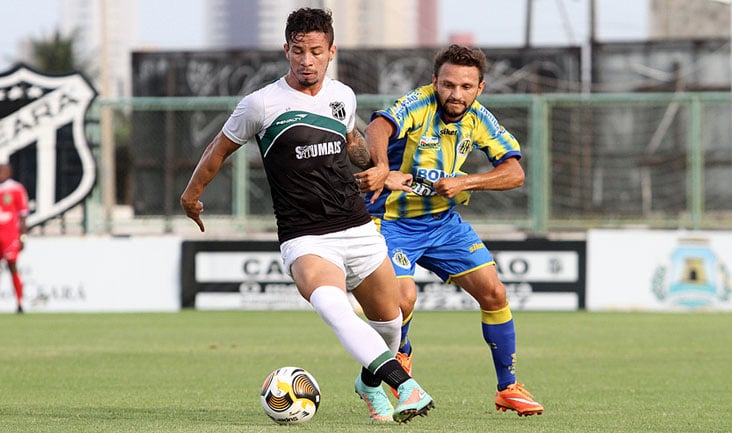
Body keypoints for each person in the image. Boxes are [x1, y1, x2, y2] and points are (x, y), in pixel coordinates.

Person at [180, 8, 434, 424]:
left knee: (390, 322)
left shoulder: (343, 95)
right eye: (298, 51)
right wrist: (191, 196)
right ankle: (404, 385)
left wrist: (371, 162)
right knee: (335, 308)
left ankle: (368, 383)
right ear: (286, 50)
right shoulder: (260, 104)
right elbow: (217, 151)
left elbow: (350, 141)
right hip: (306, 237)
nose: (306, 60)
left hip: (357, 226)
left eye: (316, 51)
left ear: (331, 51)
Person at [355, 44, 544, 416]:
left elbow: (514, 173)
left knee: (494, 292)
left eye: (466, 87)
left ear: (480, 88)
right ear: (434, 82)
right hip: (391, 221)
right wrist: (381, 166)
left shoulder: (480, 119)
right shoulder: (418, 104)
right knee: (402, 300)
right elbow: (378, 126)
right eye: (448, 85)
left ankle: (507, 387)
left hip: (443, 223)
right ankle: (400, 356)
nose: (456, 94)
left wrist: (466, 182)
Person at [0, 163, 30, 314]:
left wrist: (22, 236)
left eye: (3, 170)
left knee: (12, 266)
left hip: (9, 235)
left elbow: (23, 215)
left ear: (9, 172)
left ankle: (20, 302)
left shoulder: (16, 189)